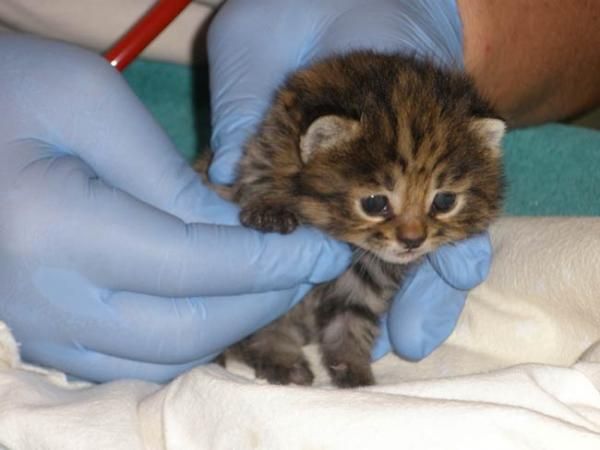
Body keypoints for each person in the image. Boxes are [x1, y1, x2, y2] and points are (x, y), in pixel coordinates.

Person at [0, 0, 597, 383]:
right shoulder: (307, 153)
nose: (412, 234)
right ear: (313, 150)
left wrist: (453, 13)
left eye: (441, 205)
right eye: (378, 204)